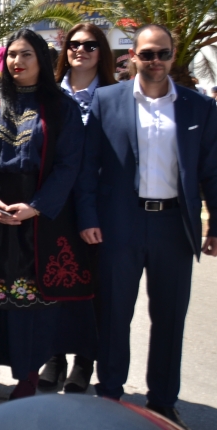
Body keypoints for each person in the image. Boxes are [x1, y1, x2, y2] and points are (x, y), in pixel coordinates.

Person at [77, 23, 217, 429]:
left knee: (170, 318)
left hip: (174, 225)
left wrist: (214, 226)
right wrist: (88, 217)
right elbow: (87, 166)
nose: (156, 61)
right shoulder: (107, 100)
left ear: (173, 56)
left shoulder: (198, 106)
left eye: (164, 53)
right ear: (133, 56)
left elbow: (211, 171)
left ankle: (162, 402)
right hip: (119, 223)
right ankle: (109, 395)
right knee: (114, 315)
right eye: (148, 54)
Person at [0, 29, 90, 405]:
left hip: (40, 216)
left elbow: (69, 164)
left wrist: (37, 205)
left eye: (26, 55)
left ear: (42, 60)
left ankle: (28, 375)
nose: (17, 62)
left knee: (33, 305)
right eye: (12, 55)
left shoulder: (61, 105)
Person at [41, 23, 117, 393]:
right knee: (54, 278)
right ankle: (54, 356)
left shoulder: (116, 96)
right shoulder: (50, 93)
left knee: (94, 285)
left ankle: (85, 361)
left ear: (102, 52)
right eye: (74, 44)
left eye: (90, 45)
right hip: (55, 202)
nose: (81, 51)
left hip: (100, 205)